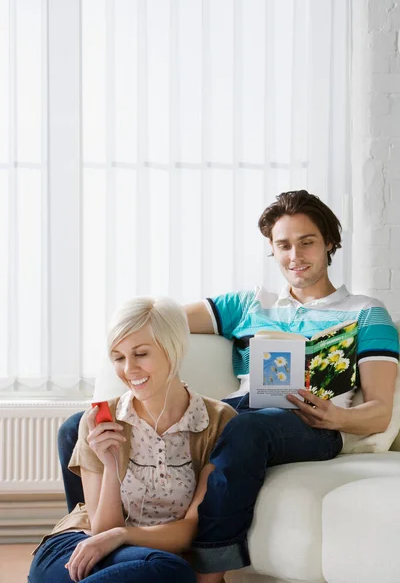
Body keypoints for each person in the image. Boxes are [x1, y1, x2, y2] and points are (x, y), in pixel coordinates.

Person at [58, 190, 399, 583]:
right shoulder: (250, 303)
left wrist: (335, 415)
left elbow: (379, 411)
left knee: (246, 427)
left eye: (307, 242)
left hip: (315, 425)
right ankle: (89, 549)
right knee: (77, 427)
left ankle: (210, 571)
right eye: (283, 245)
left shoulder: (365, 312)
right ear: (272, 249)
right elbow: (159, 323)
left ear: (329, 245)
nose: (295, 256)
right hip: (244, 411)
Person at [29, 297, 236, 583]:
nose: (129, 369)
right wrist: (111, 466)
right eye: (118, 357)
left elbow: (192, 529)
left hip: (151, 557)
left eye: (140, 354)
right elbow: (100, 529)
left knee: (168, 569)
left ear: (172, 350)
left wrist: (121, 535)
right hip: (80, 547)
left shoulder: (218, 421)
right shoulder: (100, 420)